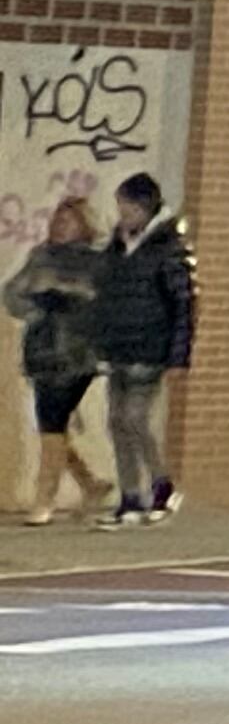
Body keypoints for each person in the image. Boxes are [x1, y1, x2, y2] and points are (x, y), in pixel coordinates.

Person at [83, 174, 193, 528]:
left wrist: (178, 356)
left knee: (135, 418)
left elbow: (183, 305)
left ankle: (162, 486)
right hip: (120, 348)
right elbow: (106, 298)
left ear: (146, 209)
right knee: (116, 421)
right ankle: (131, 498)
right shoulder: (117, 248)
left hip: (150, 348)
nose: (122, 215)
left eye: (128, 208)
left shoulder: (168, 250)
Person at [3, 201, 110, 526]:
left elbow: (104, 303)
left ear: (83, 225)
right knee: (54, 427)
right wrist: (36, 305)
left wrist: (72, 300)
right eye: (58, 221)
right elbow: (11, 294)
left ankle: (44, 499)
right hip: (42, 351)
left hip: (77, 354)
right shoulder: (41, 256)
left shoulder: (95, 261)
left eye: (69, 221)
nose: (61, 226)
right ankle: (91, 483)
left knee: (51, 424)